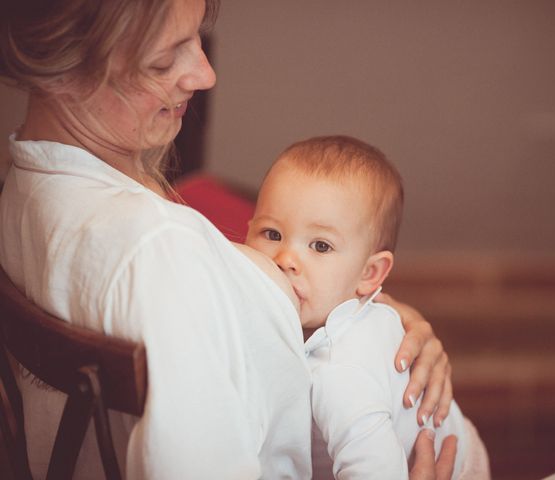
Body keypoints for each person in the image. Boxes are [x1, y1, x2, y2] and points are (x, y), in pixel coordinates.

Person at [0, 0, 455, 478]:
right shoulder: (159, 250)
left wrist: (372, 318)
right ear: (63, 69)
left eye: (198, 37)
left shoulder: (27, 187)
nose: (204, 74)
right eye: (163, 59)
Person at [245, 136, 490, 479]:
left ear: (369, 273)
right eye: (271, 234)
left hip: (445, 465)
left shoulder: (340, 370)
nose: (286, 259)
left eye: (320, 245)